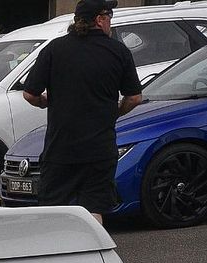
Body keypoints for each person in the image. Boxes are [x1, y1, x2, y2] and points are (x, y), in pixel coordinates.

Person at [21, 0, 143, 224]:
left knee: (53, 211)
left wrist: (45, 102)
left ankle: (55, 254)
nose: (110, 22)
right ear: (99, 19)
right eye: (110, 16)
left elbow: (29, 94)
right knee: (94, 208)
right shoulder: (118, 51)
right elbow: (134, 97)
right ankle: (93, 255)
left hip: (60, 149)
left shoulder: (54, 49)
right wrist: (116, 111)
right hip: (99, 149)